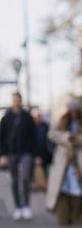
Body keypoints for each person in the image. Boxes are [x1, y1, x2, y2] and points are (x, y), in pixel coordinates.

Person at [46, 98, 82, 226]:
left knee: (79, 187)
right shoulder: (61, 122)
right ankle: (64, 216)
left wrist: (77, 139)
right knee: (63, 188)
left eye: (75, 111)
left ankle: (78, 216)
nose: (73, 114)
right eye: (71, 111)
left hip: (80, 160)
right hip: (64, 160)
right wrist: (65, 137)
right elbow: (52, 134)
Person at [0, 91, 36, 220]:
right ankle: (18, 207)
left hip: (26, 152)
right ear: (12, 101)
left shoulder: (27, 117)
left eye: (18, 100)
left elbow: (33, 136)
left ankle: (26, 206)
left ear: (21, 101)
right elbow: (2, 138)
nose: (16, 102)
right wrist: (3, 155)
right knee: (14, 180)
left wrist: (35, 155)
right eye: (14, 100)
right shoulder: (6, 118)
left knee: (25, 177)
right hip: (11, 153)